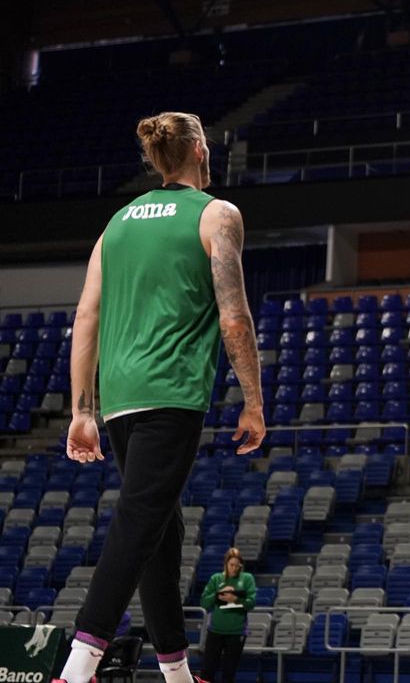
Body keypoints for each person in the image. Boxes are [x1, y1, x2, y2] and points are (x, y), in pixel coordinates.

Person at [56, 111, 266, 683]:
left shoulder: (117, 222)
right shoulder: (217, 214)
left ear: (155, 159)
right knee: (141, 518)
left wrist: (82, 412)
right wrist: (253, 401)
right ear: (200, 151)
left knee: (161, 526)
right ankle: (77, 668)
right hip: (171, 393)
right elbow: (234, 316)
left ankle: (176, 672)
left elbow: (86, 315)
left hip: (120, 399)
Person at [200, 548, 257, 683]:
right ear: (226, 564)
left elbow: (251, 603)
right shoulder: (216, 578)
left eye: (237, 566)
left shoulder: (247, 578)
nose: (234, 568)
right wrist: (218, 594)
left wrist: (235, 599)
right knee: (207, 670)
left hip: (236, 632)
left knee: (229, 672)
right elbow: (204, 602)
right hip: (215, 631)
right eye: (231, 565)